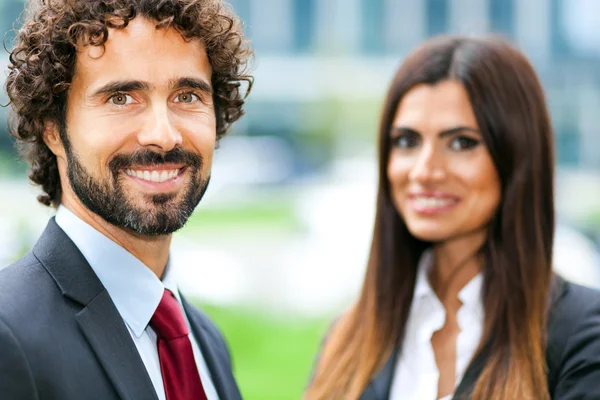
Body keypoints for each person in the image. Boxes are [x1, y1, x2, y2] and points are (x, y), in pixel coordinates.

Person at [305, 36, 600, 400]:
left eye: (461, 142)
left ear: (517, 157)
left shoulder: (583, 335)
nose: (425, 171)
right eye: (407, 141)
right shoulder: (346, 339)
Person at [0, 0, 252, 399]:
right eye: (121, 98)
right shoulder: (7, 335)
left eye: (187, 96)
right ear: (52, 128)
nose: (163, 135)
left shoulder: (206, 341)